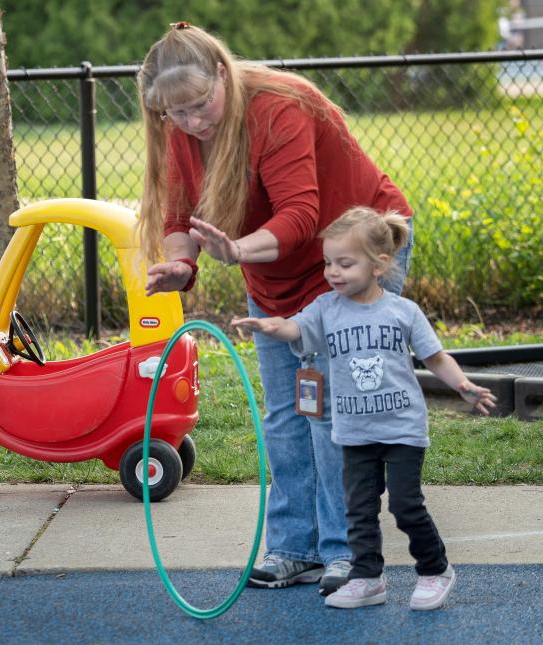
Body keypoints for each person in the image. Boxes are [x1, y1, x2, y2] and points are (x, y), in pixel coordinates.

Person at [137, 22, 414, 595]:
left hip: (356, 254)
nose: (191, 122)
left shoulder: (277, 107)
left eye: (198, 105)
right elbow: (177, 219)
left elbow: (301, 217)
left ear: (222, 73)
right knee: (287, 413)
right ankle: (294, 548)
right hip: (275, 273)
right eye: (176, 114)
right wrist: (181, 267)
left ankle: (349, 554)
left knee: (333, 410)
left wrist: (236, 252)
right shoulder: (180, 126)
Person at [232, 206, 495, 610]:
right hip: (354, 432)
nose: (333, 272)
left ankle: (434, 569)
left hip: (402, 431)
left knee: (406, 506)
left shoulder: (402, 312)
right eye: (328, 263)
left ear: (379, 265)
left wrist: (462, 385)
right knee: (358, 512)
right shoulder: (326, 308)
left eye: (345, 263)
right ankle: (367, 577)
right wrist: (272, 325)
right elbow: (297, 328)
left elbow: (435, 356)